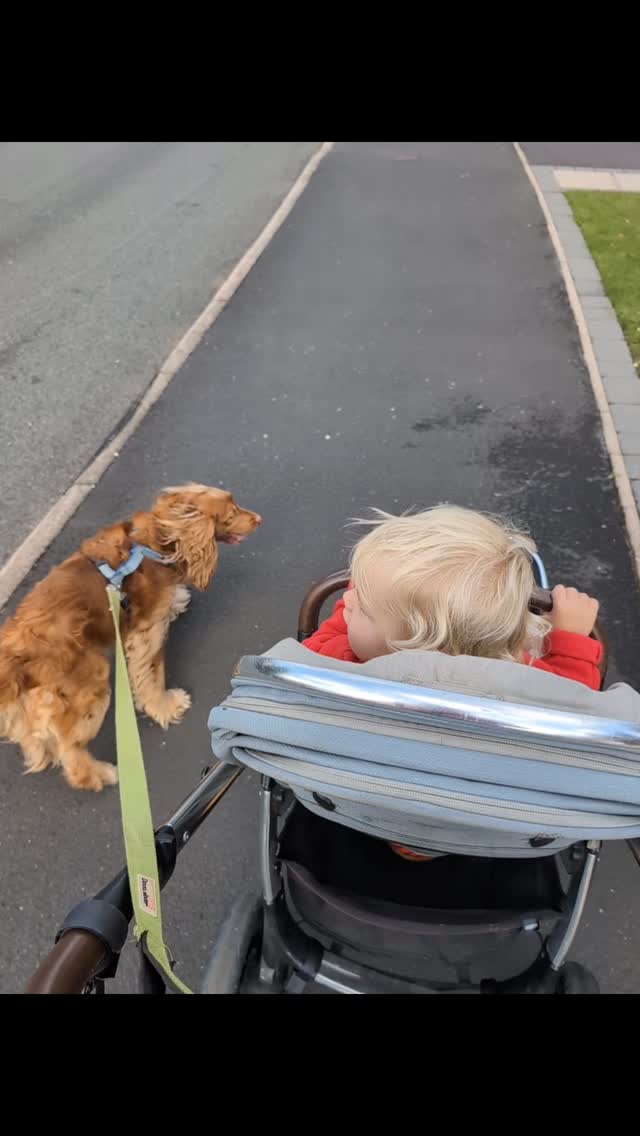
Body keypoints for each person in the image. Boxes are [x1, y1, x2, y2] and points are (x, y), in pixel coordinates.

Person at [303, 506, 602, 859]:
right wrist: (569, 637)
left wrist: (356, 602)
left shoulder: (337, 665)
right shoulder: (526, 690)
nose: (348, 600)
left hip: (367, 804)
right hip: (477, 818)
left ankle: (404, 838)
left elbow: (331, 636)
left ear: (411, 645)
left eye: (363, 606)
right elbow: (575, 696)